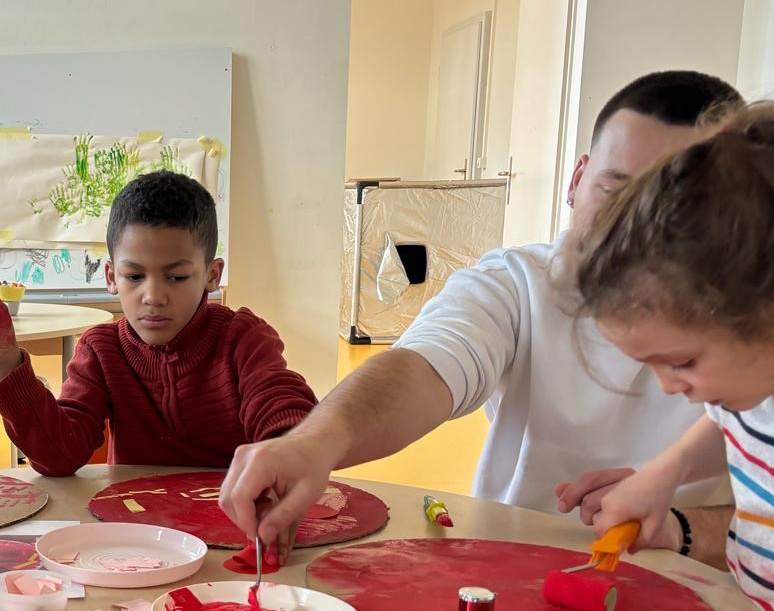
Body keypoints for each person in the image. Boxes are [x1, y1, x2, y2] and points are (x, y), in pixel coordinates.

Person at [216, 71, 742, 563]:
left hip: (703, 592)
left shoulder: (759, 328)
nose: (638, 230)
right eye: (615, 189)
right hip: (514, 572)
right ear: (577, 179)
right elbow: (423, 368)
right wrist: (315, 443)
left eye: (678, 208)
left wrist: (679, 529)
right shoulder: (518, 284)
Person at [568, 102, 774, 611]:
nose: (669, 386)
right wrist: (666, 470)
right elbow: (731, 422)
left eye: (682, 361)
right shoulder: (755, 379)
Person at [0, 171, 317, 476]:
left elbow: (279, 403)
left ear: (212, 274)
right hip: (135, 536)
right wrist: (4, 363)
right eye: (134, 276)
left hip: (229, 526)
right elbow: (59, 457)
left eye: (176, 278)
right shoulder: (101, 349)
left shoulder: (242, 338)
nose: (153, 296)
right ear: (110, 276)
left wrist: (289, 447)